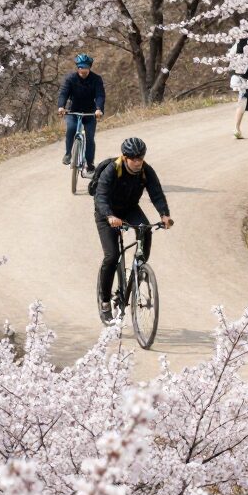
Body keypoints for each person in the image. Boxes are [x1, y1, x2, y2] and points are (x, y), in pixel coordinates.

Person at [91, 136, 174, 322]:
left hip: (129, 208)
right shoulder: (112, 170)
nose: (137, 162)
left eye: (140, 158)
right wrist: (110, 216)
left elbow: (156, 193)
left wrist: (164, 215)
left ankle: (139, 268)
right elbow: (101, 196)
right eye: (134, 158)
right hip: (107, 213)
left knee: (145, 229)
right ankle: (105, 301)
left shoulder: (146, 170)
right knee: (111, 256)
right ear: (125, 157)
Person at [57, 54, 105, 171]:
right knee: (71, 129)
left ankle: (90, 164)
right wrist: (61, 106)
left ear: (89, 68)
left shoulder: (96, 79)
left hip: (90, 112)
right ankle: (68, 154)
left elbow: (100, 95)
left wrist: (99, 109)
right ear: (77, 67)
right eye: (80, 67)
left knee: (89, 137)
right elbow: (63, 93)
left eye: (85, 68)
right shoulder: (70, 79)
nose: (82, 70)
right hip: (74, 111)